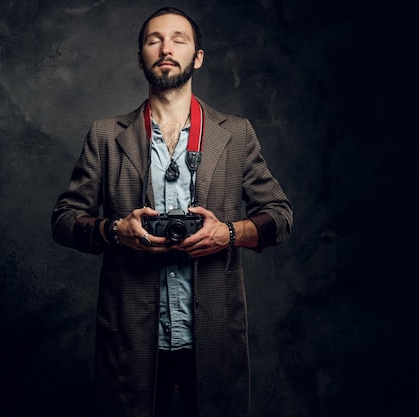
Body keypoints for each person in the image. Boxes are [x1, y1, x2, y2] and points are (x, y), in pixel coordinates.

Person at [51, 6, 292, 417]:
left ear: (198, 56)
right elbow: (64, 219)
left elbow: (281, 216)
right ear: (140, 56)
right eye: (153, 40)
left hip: (213, 338)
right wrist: (114, 231)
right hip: (130, 341)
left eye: (179, 39)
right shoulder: (106, 136)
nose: (166, 48)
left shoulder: (236, 133)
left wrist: (229, 233)